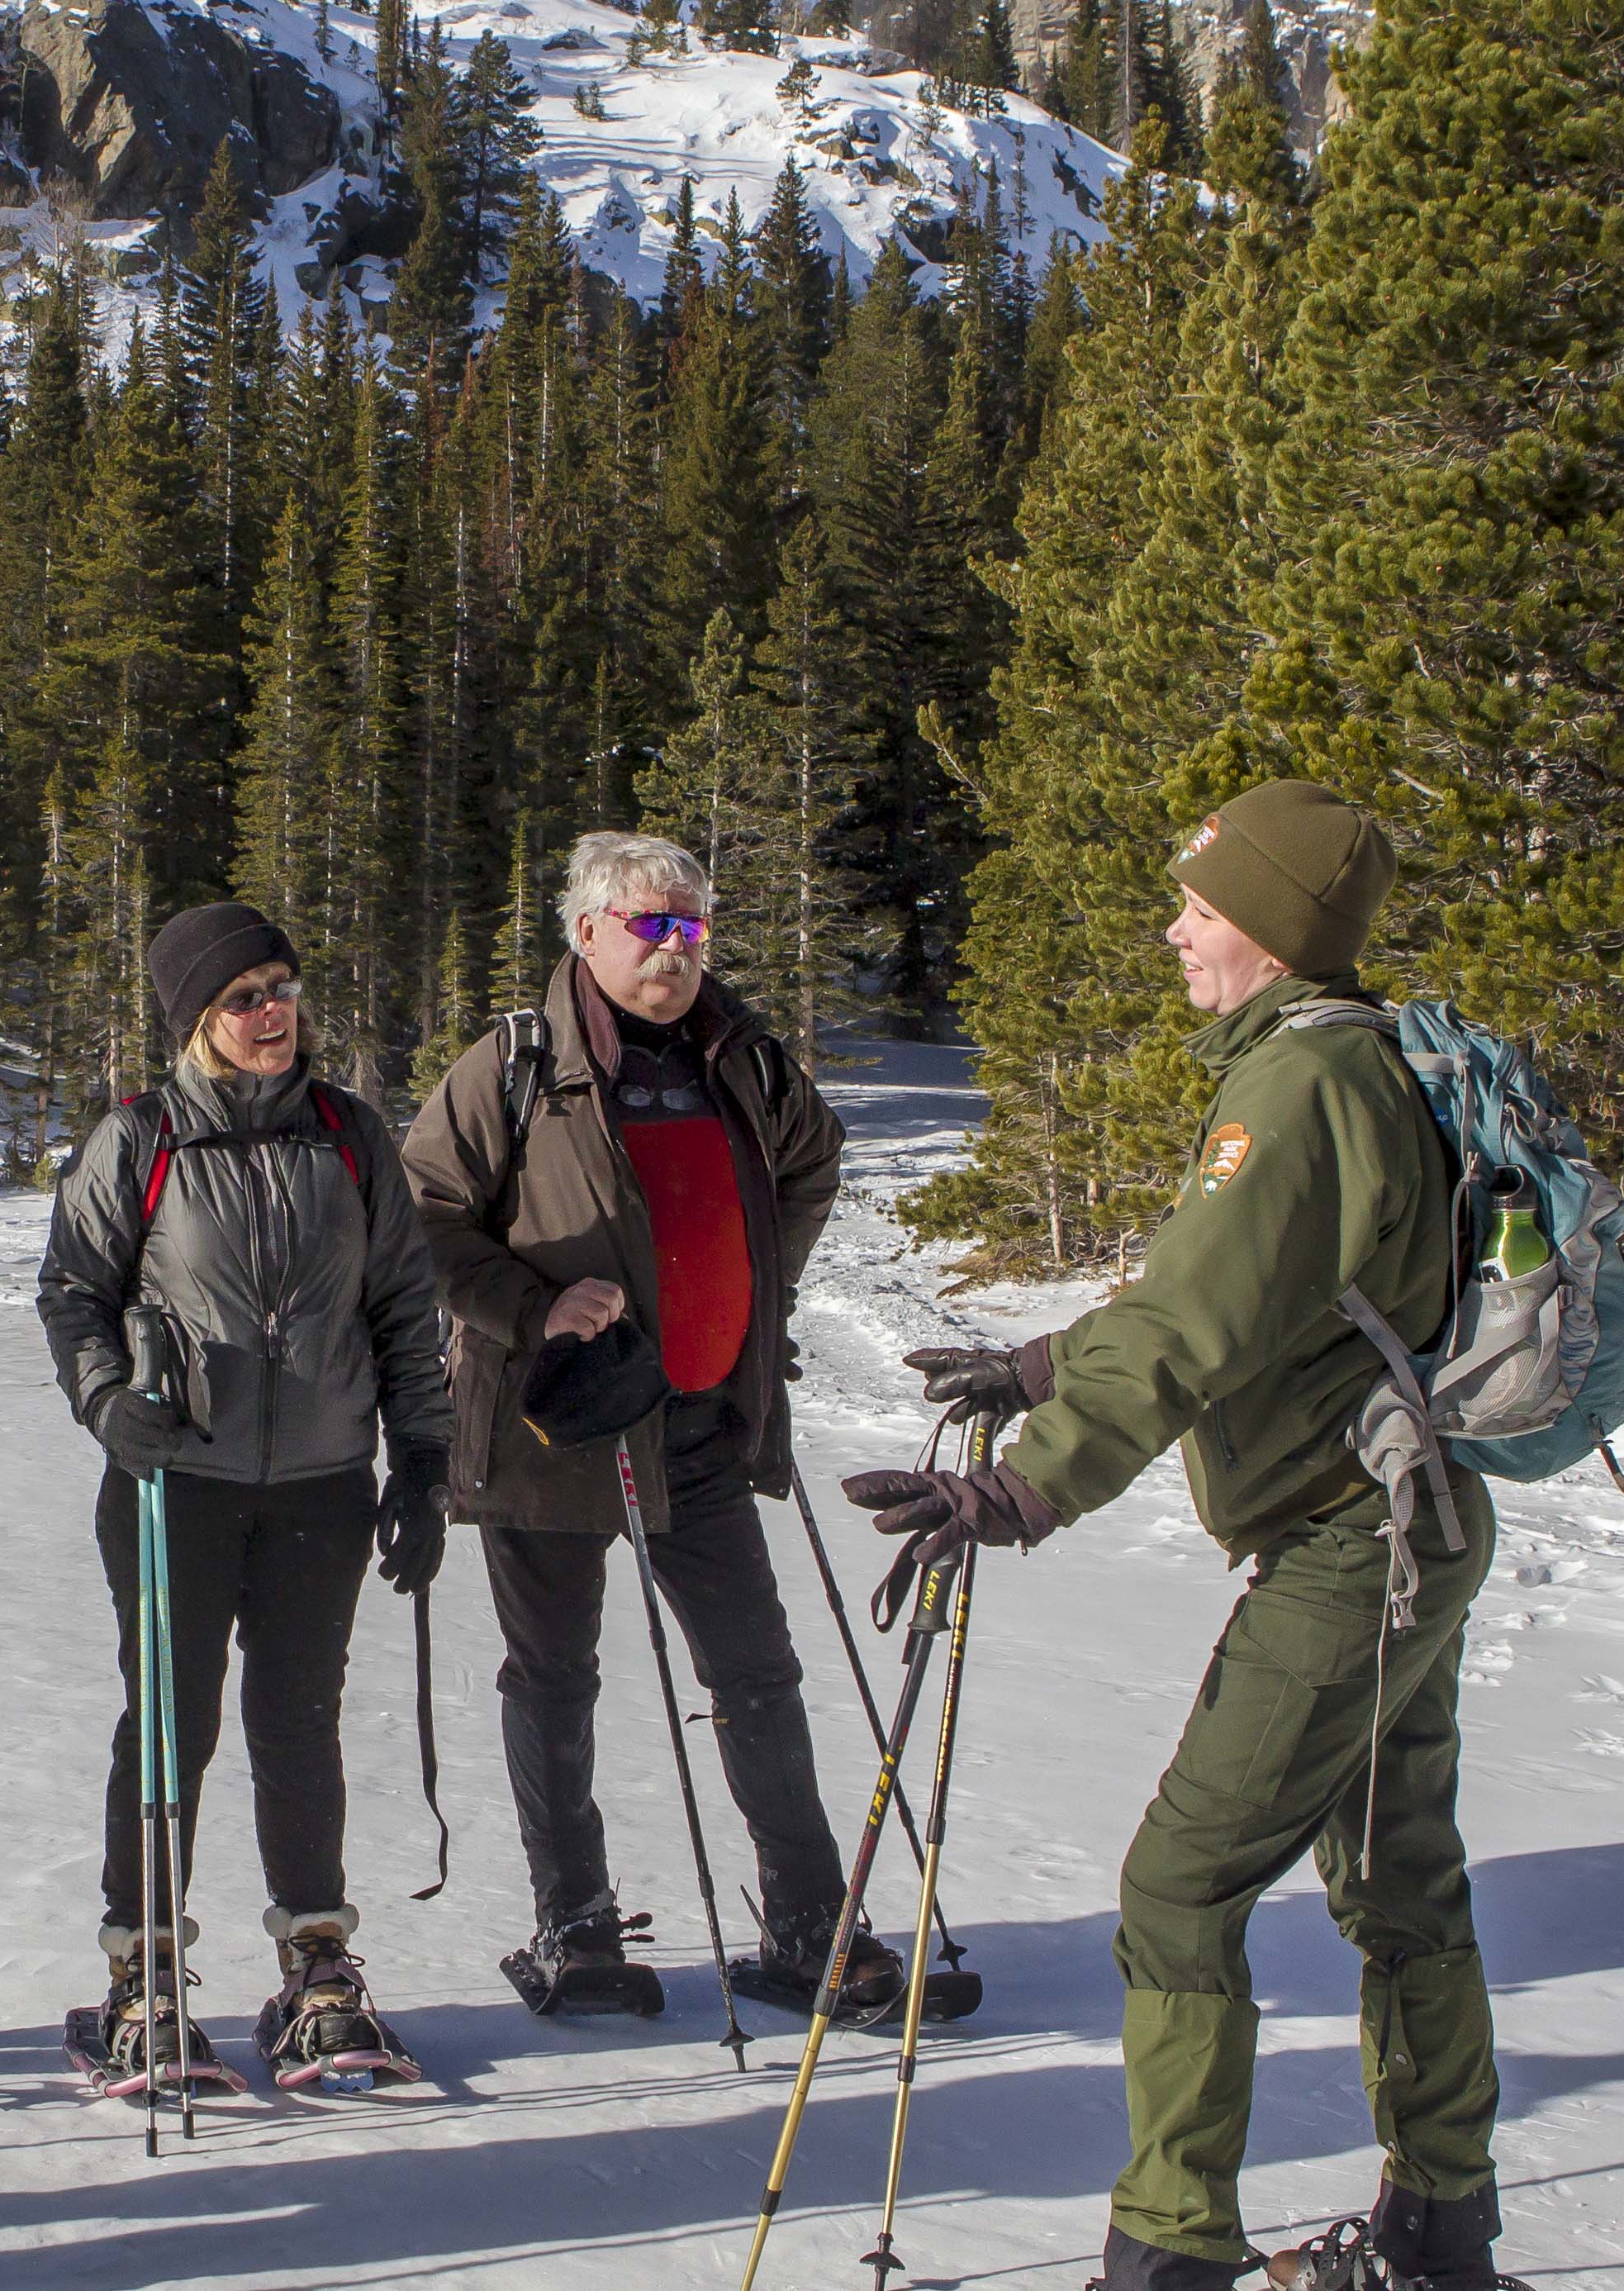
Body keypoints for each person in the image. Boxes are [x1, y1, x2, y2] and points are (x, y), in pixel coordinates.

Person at [848, 782, 1508, 2291]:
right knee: (1401, 1877)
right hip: (1412, 1521)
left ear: (1272, 931)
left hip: (1359, 1543)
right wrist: (1038, 1368)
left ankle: (1169, 2257)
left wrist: (1023, 1483)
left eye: (1202, 906)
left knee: (1179, 1888)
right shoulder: (1340, 1060)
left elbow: (1199, 1320)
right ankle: (1440, 2232)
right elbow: (1235, 1294)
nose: (1176, 928)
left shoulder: (1297, 1089)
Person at [401, 831, 895, 2017]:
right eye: (648, 926)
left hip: (703, 1424)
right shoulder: (516, 1065)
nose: (674, 951)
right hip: (554, 1428)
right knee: (556, 1676)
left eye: (690, 928)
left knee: (758, 1672)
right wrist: (534, 1303)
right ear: (585, 932)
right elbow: (420, 1216)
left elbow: (811, 1166)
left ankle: (809, 1926)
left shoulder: (747, 1059)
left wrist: (748, 1284)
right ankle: (575, 1925)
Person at [36, 901, 454, 2088]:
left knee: (298, 1723)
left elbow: (404, 1315)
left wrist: (423, 1464)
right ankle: (144, 1970)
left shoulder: (351, 1135)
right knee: (171, 1723)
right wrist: (109, 1400)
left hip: (323, 1481)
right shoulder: (141, 1138)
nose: (274, 1013)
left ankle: (317, 1962)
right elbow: (72, 1292)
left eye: (283, 986)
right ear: (196, 1020)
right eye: (243, 997)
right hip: (178, 1487)